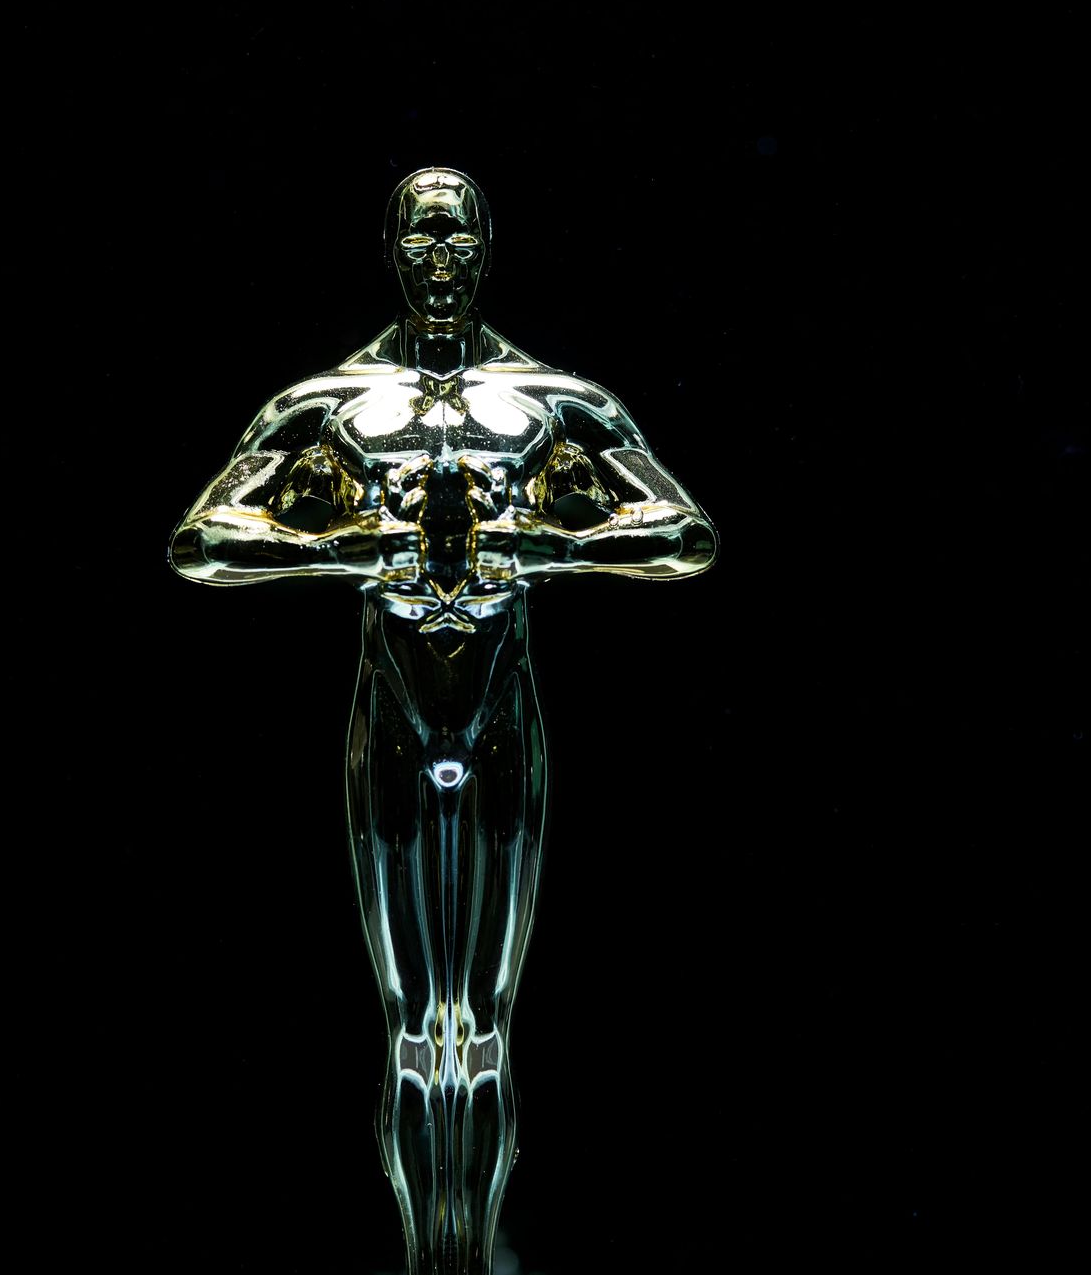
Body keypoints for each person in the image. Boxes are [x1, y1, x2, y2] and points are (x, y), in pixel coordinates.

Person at [169, 167, 715, 1275]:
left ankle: (465, 1255)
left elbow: (685, 533)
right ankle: (434, 1257)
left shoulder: (553, 403)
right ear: (391, 248)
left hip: (502, 716)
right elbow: (201, 542)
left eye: (456, 235)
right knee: (416, 1024)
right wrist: (354, 548)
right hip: (398, 725)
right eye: (420, 236)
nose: (439, 256)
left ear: (486, 246)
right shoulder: (329, 407)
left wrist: (539, 547)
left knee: (488, 1023)